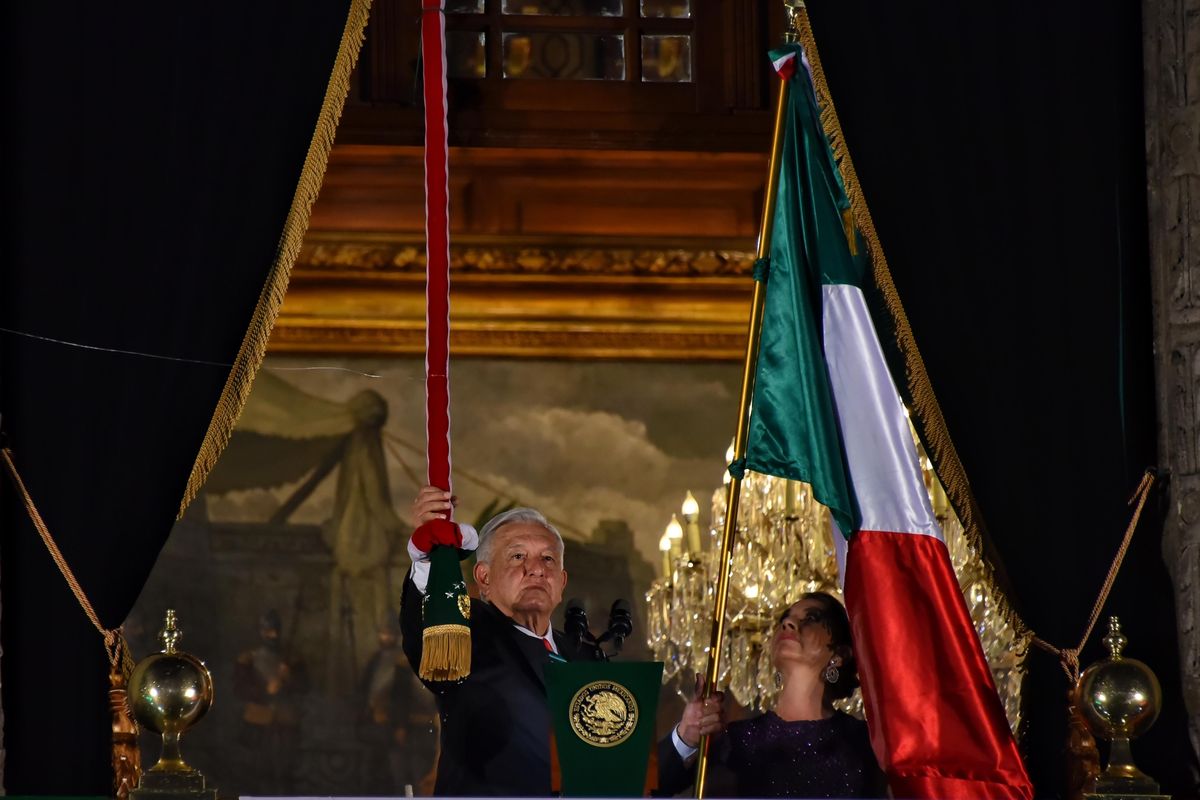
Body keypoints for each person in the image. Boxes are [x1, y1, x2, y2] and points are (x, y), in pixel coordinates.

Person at [400, 486, 603, 796]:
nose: (536, 568)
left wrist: (685, 738)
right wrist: (431, 557)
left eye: (548, 559)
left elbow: (618, 771)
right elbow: (426, 630)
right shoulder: (468, 633)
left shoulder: (588, 658)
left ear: (561, 583)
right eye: (517, 555)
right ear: (483, 579)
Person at [658, 592, 888, 798]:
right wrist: (687, 735)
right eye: (785, 619)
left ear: (839, 654)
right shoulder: (732, 742)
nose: (788, 623)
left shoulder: (867, 742)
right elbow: (646, 788)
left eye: (811, 619)